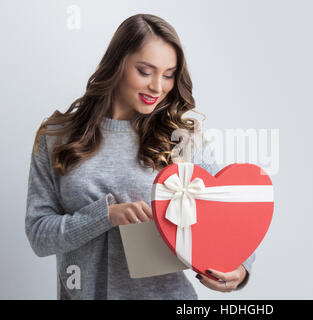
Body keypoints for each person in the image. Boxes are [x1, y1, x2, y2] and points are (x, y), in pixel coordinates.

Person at [25, 13, 255, 300]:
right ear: (117, 64)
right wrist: (106, 216)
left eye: (169, 75)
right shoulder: (56, 136)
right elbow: (39, 237)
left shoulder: (180, 138)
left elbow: (228, 217)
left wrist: (242, 269)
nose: (158, 87)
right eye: (145, 71)